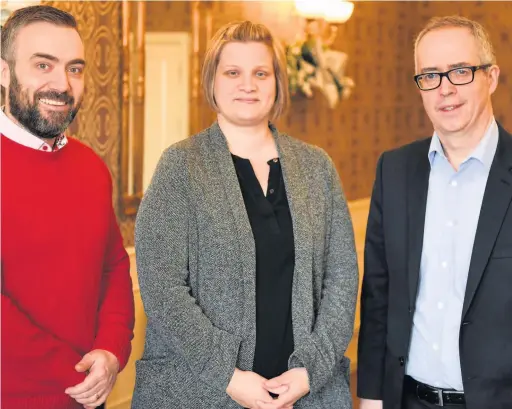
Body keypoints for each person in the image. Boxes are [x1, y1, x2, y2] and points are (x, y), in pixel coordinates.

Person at [132, 20, 358, 409]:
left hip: (305, 392)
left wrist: (309, 372)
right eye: (232, 72)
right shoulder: (181, 167)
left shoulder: (316, 167)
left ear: (277, 83)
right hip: (200, 393)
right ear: (212, 82)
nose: (247, 85)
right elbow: (162, 288)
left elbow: (342, 279)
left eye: (260, 73)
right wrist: (228, 376)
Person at [357, 15, 511, 409]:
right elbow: (378, 294)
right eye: (429, 76)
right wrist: (372, 398)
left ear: (491, 77)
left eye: (460, 71)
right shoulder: (394, 170)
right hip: (408, 399)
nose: (445, 90)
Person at [1, 6, 135, 409]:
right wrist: (76, 374)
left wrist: (111, 353)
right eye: (44, 64)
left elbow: (113, 266)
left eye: (75, 69)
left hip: (86, 397)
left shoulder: (91, 167)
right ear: (4, 72)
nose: (62, 83)